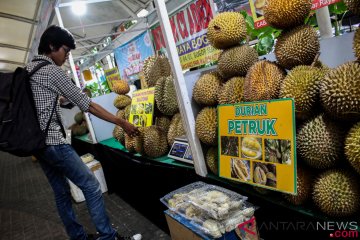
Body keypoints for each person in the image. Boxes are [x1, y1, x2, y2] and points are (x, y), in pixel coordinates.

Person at [26, 25, 141, 240]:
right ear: (51, 46)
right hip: (54, 142)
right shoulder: (51, 70)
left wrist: (60, 100)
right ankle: (107, 236)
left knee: (61, 193)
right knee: (91, 185)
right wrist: (121, 122)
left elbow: (41, 103)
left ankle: (77, 236)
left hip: (38, 144)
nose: (66, 56)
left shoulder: (30, 69)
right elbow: (89, 105)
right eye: (65, 51)